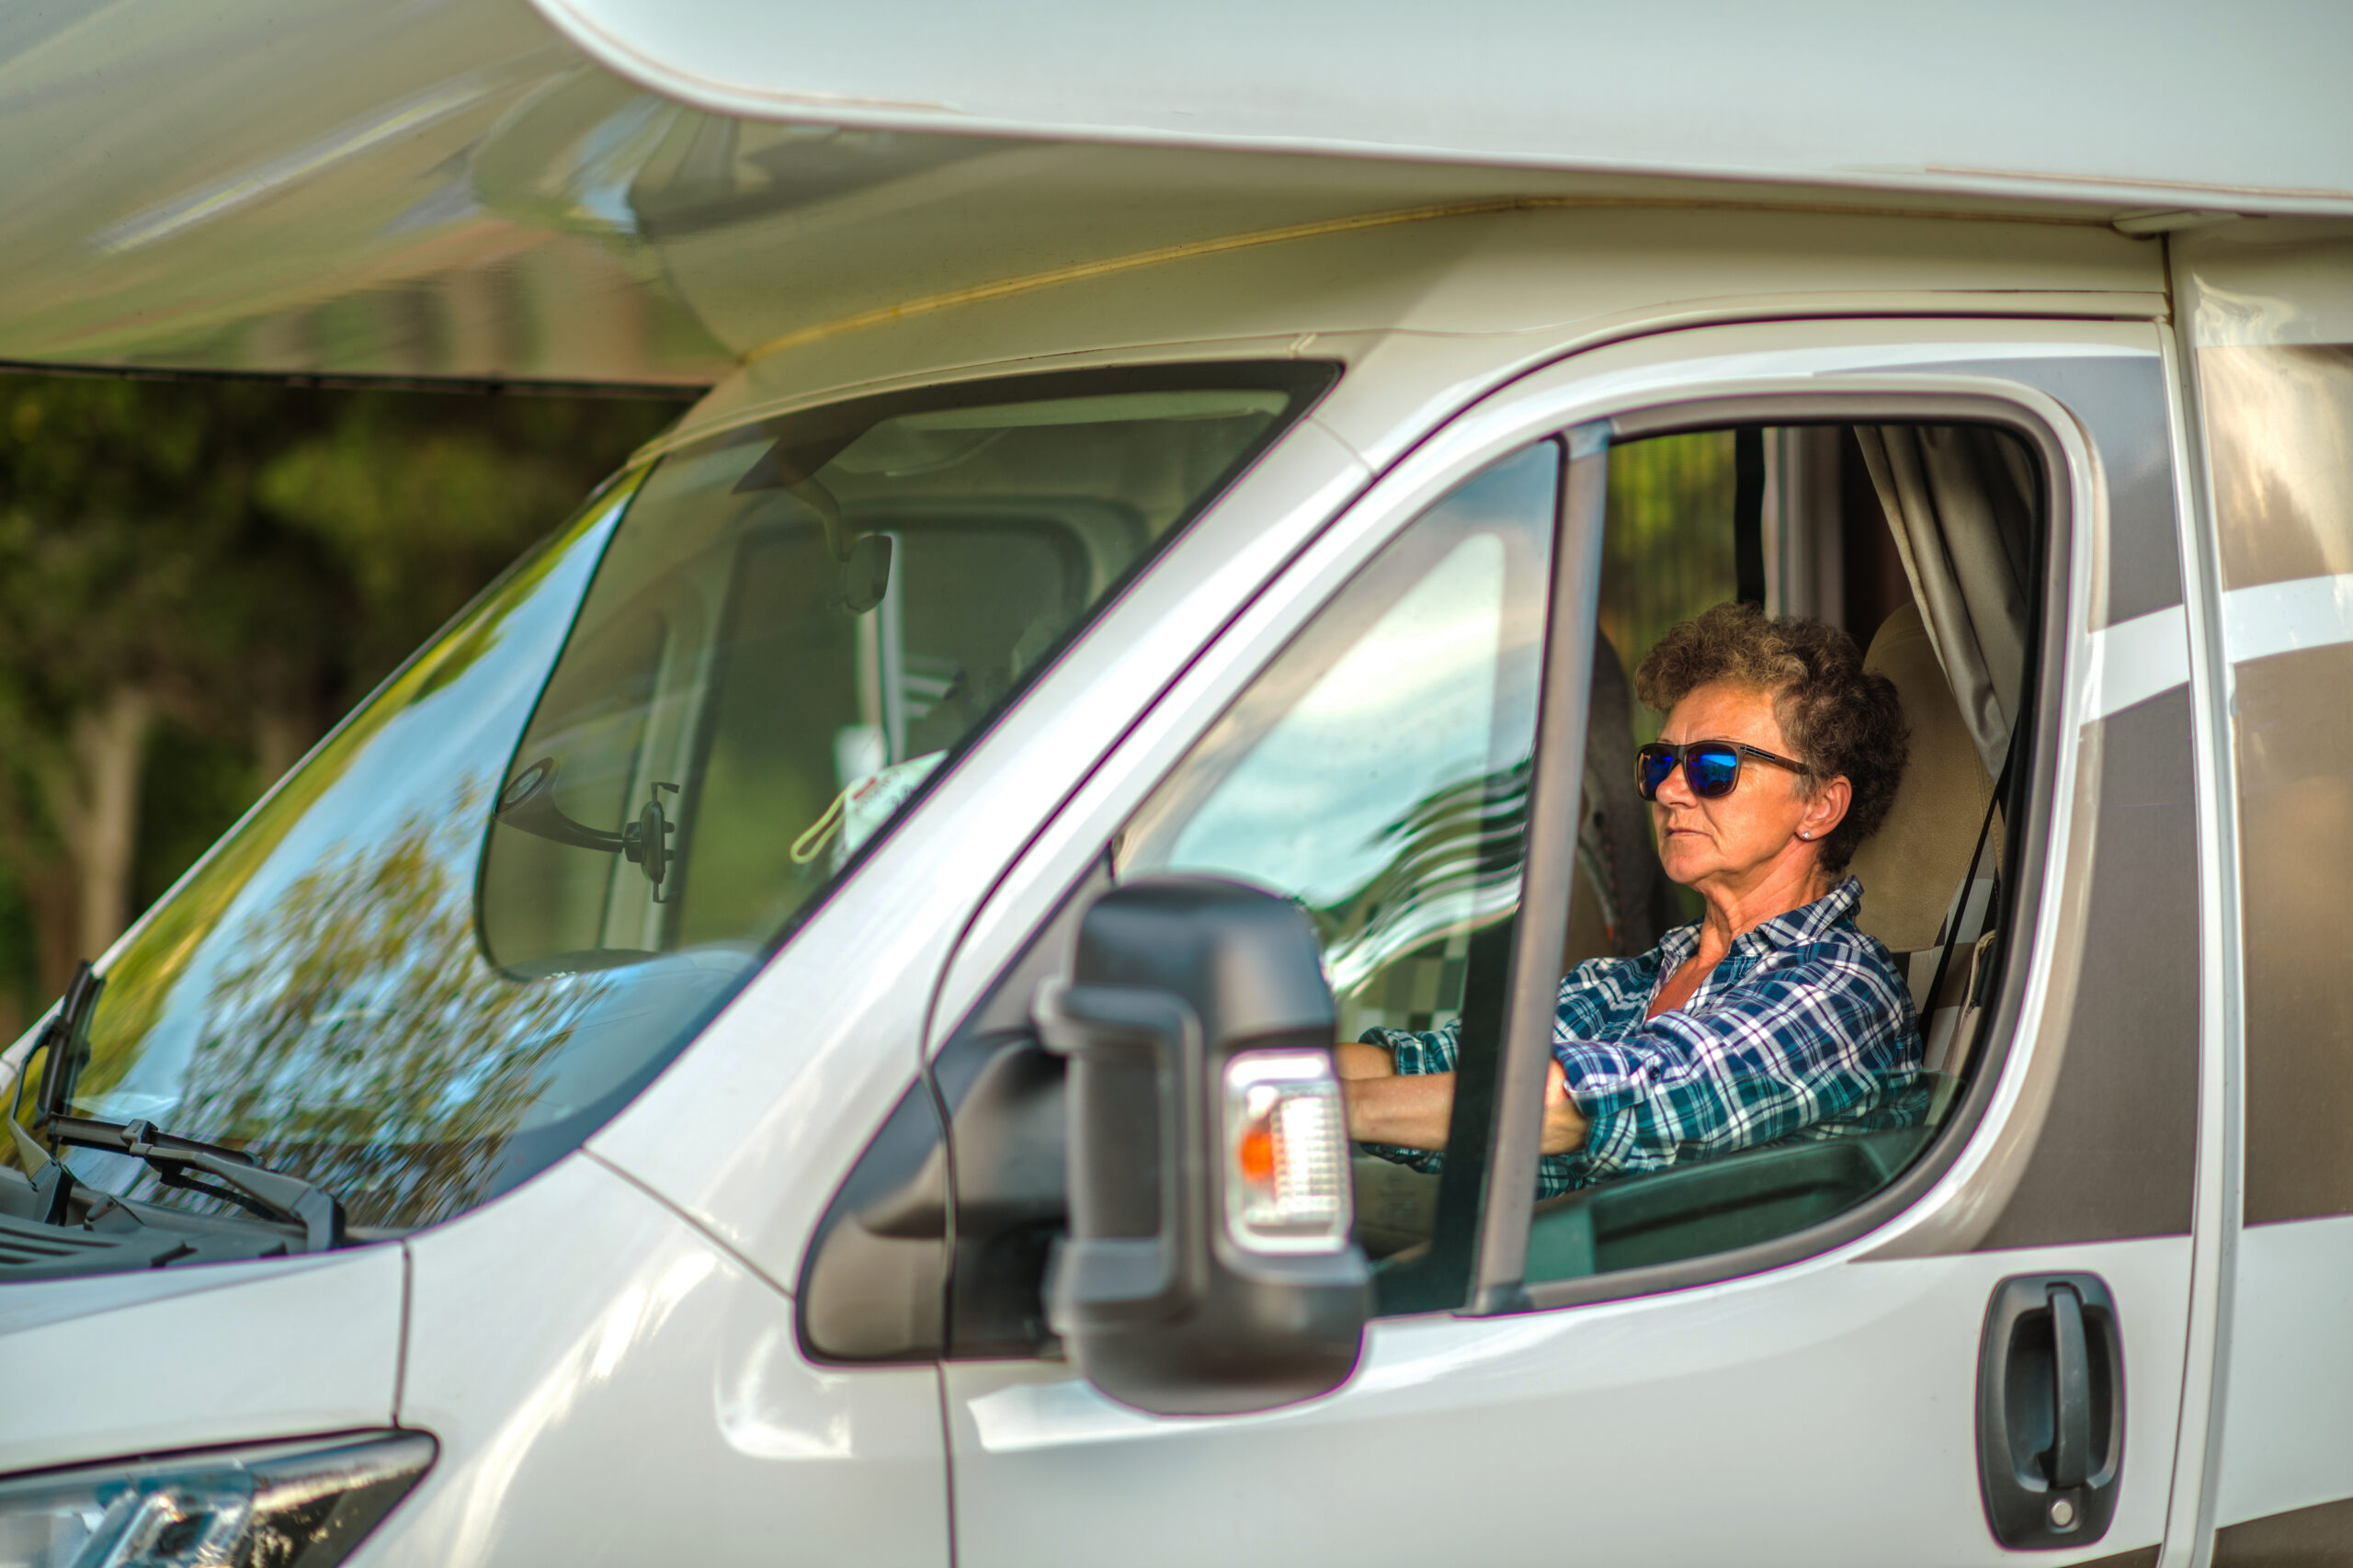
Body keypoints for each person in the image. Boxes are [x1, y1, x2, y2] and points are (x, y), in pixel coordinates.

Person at [1340, 601, 1921, 1196]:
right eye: (1661, 761)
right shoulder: (1629, 982)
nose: (1669, 791)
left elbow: (1582, 1102)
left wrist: (1306, 1118)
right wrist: (1262, 1082)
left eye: (1713, 767)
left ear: (1820, 805)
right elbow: (1437, 1062)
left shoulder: (1842, 991)